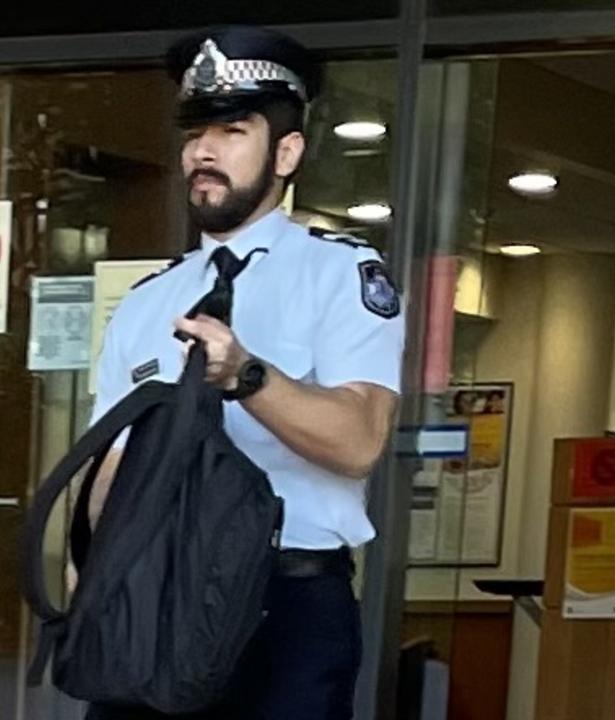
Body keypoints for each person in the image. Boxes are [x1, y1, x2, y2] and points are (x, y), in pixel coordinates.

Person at [82, 26, 405, 720]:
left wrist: (246, 375)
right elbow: (111, 468)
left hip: (284, 605)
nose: (203, 150)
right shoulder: (145, 302)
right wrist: (98, 579)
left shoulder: (340, 276)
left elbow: (359, 443)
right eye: (196, 132)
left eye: (232, 130)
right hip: (152, 595)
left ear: (286, 152)